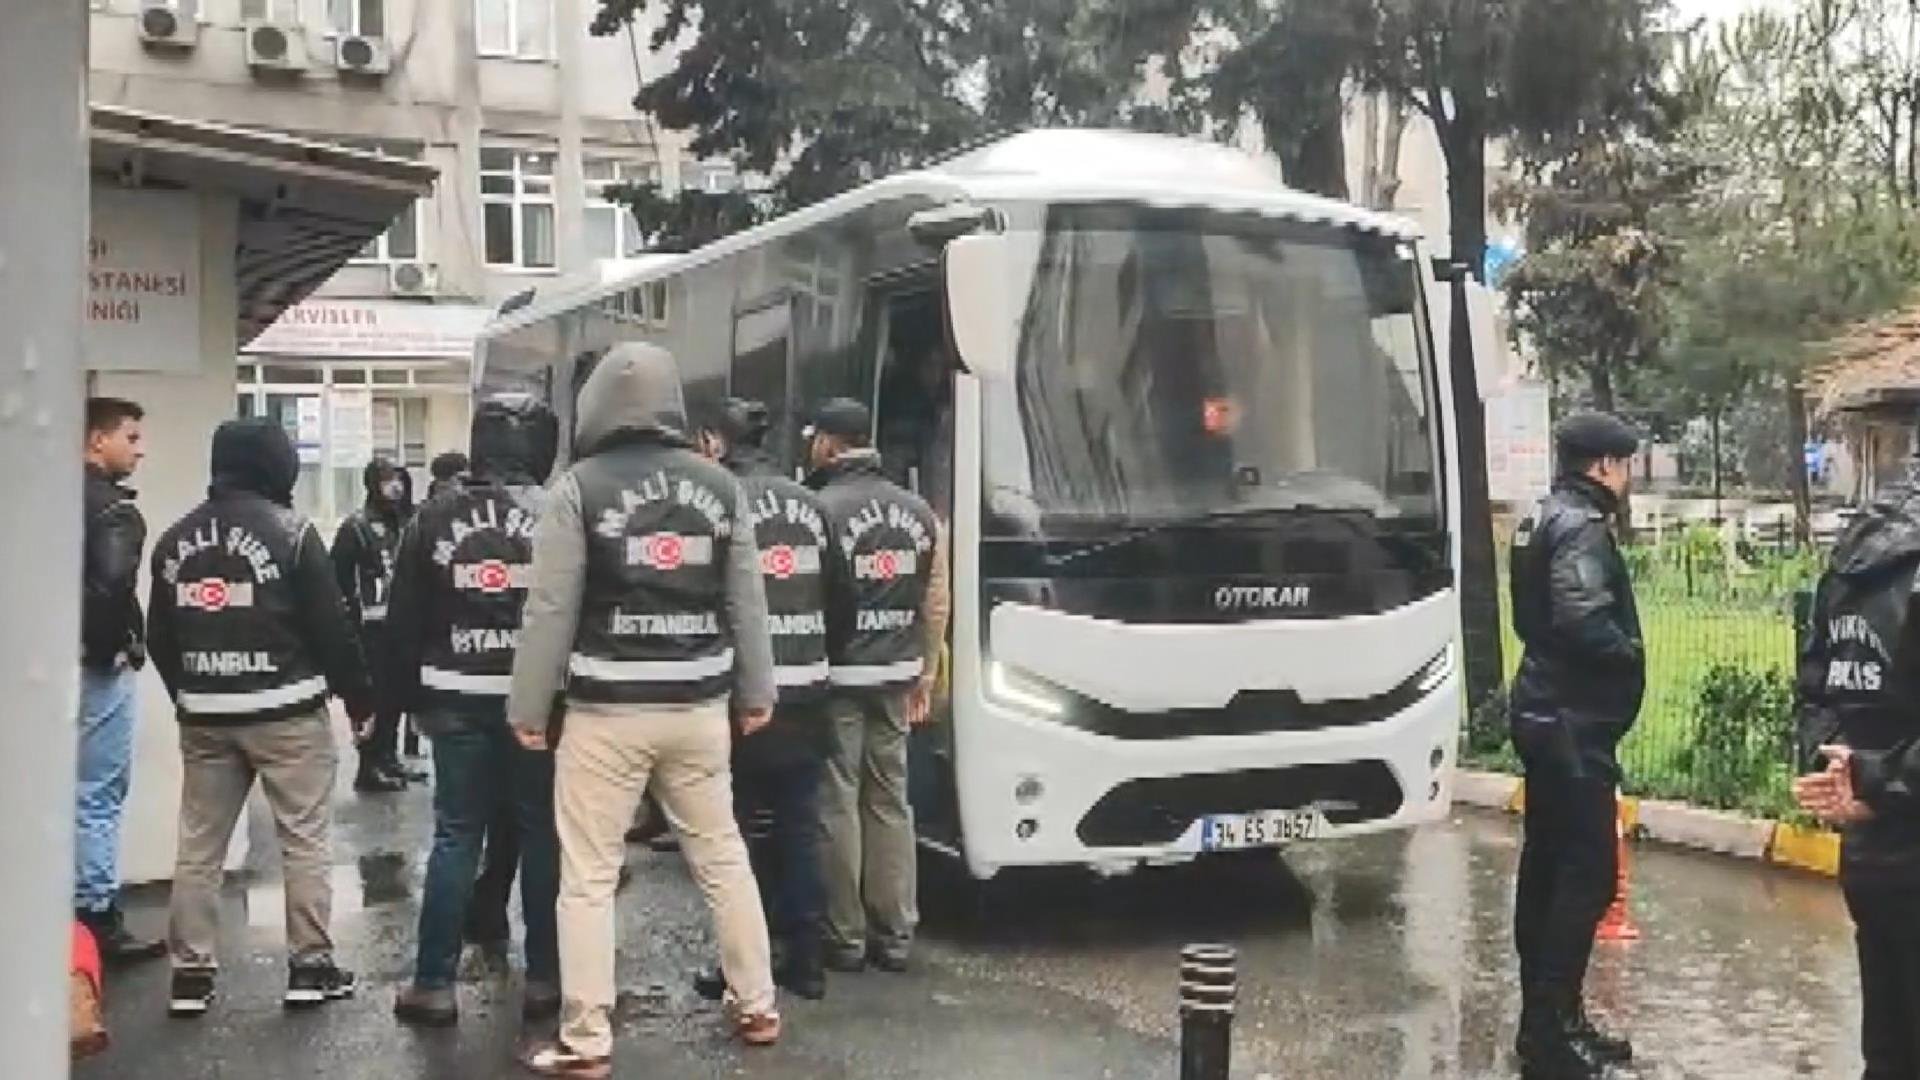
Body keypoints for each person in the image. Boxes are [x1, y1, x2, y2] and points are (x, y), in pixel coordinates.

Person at [507, 342, 781, 1076]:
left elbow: (551, 608)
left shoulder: (578, 488)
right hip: (699, 708)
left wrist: (529, 705)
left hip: (605, 713)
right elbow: (746, 601)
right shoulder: (721, 486)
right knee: (722, 857)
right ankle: (757, 1004)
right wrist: (757, 692)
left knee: (589, 876)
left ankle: (587, 1037)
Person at [146, 418, 371, 1017]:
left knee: (200, 845)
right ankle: (310, 967)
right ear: (278, 466)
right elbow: (332, 629)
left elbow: (159, 636)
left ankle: (190, 976)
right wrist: (359, 699)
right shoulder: (294, 534)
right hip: (287, 711)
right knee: (304, 838)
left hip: (205, 714)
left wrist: (190, 694)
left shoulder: (173, 540)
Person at [385, 396, 561, 1028]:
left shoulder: (432, 517)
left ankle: (434, 984)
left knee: (456, 834)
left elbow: (403, 621)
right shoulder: (559, 513)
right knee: (540, 833)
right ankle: (545, 979)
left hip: (453, 696)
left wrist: (401, 708)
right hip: (536, 702)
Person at [1506, 411, 1644, 1080]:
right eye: (1625, 464)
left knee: (1547, 868)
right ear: (1604, 466)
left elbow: (1530, 618)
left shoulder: (1540, 517)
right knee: (1587, 875)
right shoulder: (1583, 526)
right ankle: (1551, 1033)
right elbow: (1582, 617)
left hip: (1544, 709)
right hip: (1572, 722)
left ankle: (1551, 1020)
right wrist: (1629, 654)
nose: (1627, 477)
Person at [694, 397, 835, 1000]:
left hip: (743, 693)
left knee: (739, 836)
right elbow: (839, 594)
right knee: (800, 829)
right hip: (809, 689)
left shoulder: (715, 501)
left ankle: (741, 965)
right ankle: (807, 960)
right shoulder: (812, 504)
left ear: (716, 443)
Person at [806, 398, 948, 974]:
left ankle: (845, 934)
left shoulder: (820, 510)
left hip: (839, 675)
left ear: (829, 445)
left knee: (838, 797)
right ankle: (895, 931)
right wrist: (927, 671)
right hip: (897, 672)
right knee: (890, 797)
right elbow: (935, 599)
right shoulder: (919, 512)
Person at [1793, 467, 1920, 1080]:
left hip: (1870, 851)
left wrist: (1840, 773)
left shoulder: (1853, 556)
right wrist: (1870, 782)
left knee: (1889, 1040)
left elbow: (1815, 686)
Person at [76, 396, 165, 964]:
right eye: (130, 437)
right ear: (96, 440)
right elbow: (109, 591)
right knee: (99, 792)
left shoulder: (44, 498)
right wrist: (110, 648)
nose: (140, 449)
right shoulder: (114, 512)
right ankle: (96, 916)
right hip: (96, 669)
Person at [332, 457, 415, 792]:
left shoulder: (406, 523)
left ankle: (389, 758)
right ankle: (368, 765)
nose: (395, 486)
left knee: (395, 696)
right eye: (387, 479)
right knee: (373, 698)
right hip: (369, 627)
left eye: (398, 479)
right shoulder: (356, 527)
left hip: (399, 625)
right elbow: (337, 576)